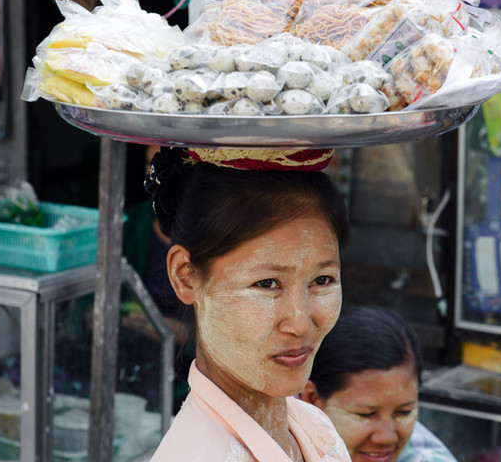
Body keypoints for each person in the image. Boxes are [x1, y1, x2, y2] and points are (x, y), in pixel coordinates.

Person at [147, 146, 352, 461]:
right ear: (185, 276)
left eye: (322, 280)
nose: (299, 323)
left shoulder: (314, 426)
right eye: (267, 284)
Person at [300, 306, 457, 462]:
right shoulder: (282, 447)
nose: (386, 438)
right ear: (312, 399)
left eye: (404, 412)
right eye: (366, 415)